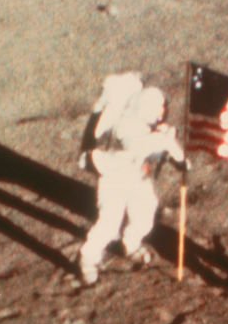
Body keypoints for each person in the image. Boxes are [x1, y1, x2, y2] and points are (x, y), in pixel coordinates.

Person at [77, 75, 187, 286]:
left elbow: (159, 148)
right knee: (109, 223)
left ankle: (130, 244)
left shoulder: (149, 127)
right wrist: (169, 144)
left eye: (162, 108)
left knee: (145, 214)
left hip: (137, 177)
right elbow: (144, 146)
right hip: (114, 179)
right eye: (159, 109)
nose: (162, 113)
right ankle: (88, 260)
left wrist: (178, 157)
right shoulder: (127, 127)